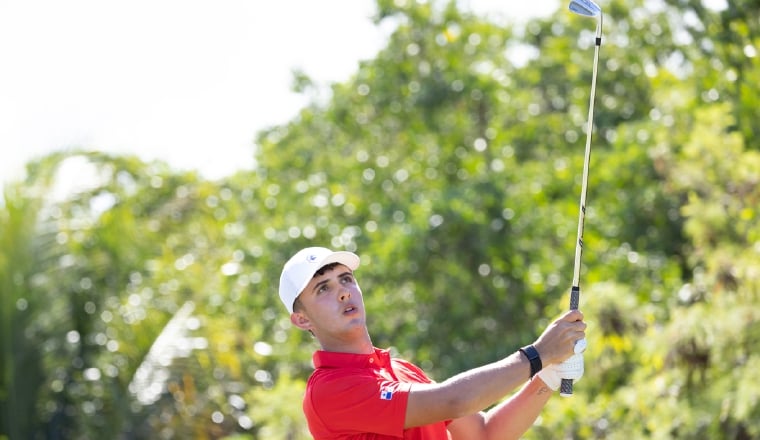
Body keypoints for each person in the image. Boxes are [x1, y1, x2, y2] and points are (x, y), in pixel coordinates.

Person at [278, 246, 587, 439]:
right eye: (323, 288)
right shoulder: (327, 391)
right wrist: (539, 353)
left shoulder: (400, 370)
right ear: (302, 320)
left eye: (346, 279)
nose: (344, 292)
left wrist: (547, 375)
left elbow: (484, 434)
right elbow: (453, 399)